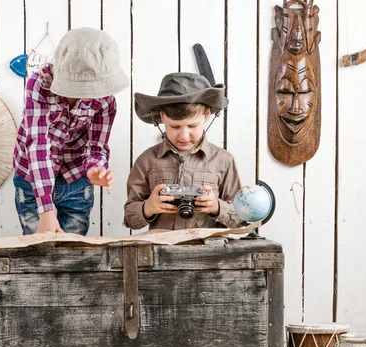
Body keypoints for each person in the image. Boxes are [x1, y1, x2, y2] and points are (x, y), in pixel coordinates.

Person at [13, 27, 129, 235]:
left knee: (74, 252)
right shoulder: (39, 84)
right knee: (35, 249)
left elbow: (97, 146)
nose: (90, 95)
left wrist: (96, 168)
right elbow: (38, 144)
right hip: (32, 177)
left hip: (75, 178)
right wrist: (46, 210)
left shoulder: (106, 101)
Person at [124, 72, 243, 230]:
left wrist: (217, 207)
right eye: (175, 126)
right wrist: (148, 208)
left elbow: (241, 218)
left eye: (192, 126)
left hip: (210, 253)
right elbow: (129, 219)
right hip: (162, 252)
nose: (184, 135)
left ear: (206, 115)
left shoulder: (223, 161)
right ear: (162, 117)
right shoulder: (146, 161)